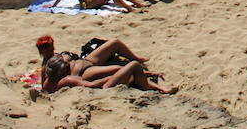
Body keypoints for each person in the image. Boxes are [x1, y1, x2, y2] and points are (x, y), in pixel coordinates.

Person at [35, 36, 163, 93]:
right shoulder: (48, 67)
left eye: (51, 47)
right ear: (41, 51)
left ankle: (138, 59)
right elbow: (47, 88)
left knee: (114, 43)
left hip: (87, 61)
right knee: (119, 69)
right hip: (84, 72)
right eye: (46, 49)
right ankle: (152, 82)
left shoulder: (56, 56)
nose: (50, 50)